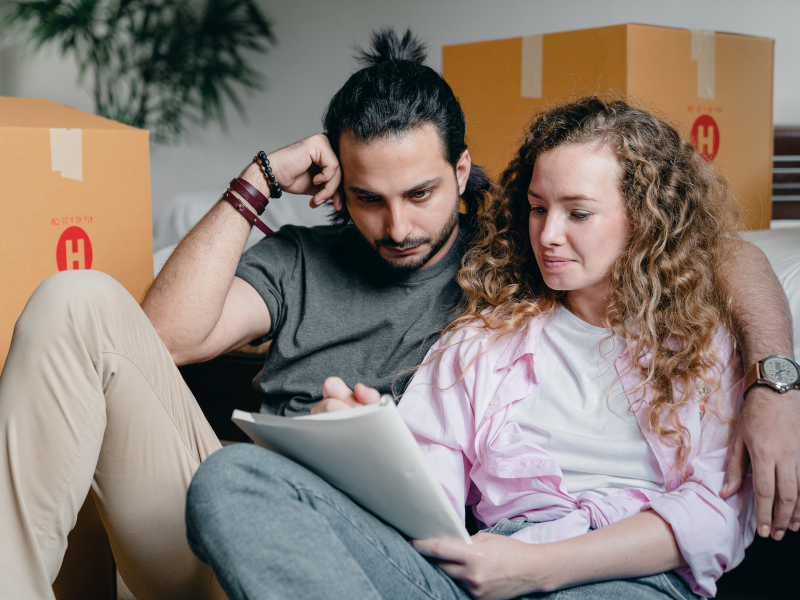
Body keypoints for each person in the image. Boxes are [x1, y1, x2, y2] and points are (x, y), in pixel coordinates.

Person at [0, 29, 795, 600]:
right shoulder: (320, 266)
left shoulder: (513, 243)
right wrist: (259, 180)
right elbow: (164, 339)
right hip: (283, 535)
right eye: (368, 198)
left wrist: (778, 381)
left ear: (463, 170)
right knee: (86, 307)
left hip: (441, 561)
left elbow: (723, 254)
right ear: (336, 184)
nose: (400, 227)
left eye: (421, 194)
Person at [185, 98, 785, 600]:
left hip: (622, 577)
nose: (548, 235)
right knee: (232, 477)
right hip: (471, 571)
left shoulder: (707, 343)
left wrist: (537, 566)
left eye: (578, 213)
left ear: (646, 219)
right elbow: (430, 497)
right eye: (537, 208)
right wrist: (361, 448)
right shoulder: (483, 337)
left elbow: (716, 517)